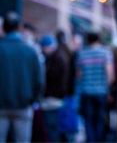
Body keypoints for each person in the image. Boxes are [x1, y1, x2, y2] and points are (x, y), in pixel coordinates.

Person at [0, 11, 43, 142]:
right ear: (20, 27)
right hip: (24, 104)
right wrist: (34, 99)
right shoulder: (30, 50)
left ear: (3, 28)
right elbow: (39, 80)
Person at [76, 32, 115, 142]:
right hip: (101, 92)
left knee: (88, 120)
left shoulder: (82, 53)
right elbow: (110, 74)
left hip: (86, 92)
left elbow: (79, 75)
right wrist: (108, 89)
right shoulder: (105, 53)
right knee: (100, 120)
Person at [39, 34, 70, 142]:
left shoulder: (56, 59)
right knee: (55, 128)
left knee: (52, 129)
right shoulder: (58, 57)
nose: (42, 50)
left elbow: (51, 78)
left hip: (52, 99)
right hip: (55, 98)